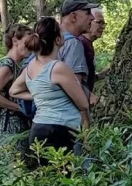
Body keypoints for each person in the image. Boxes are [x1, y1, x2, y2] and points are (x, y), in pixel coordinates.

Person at [11, 16, 91, 164]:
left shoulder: (30, 67)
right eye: (61, 32)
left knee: (48, 180)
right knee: (66, 180)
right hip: (61, 130)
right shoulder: (58, 67)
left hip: (38, 129)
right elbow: (83, 104)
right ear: (57, 40)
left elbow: (13, 91)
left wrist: (39, 94)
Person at [0, 23, 34, 154]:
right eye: (27, 41)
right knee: (15, 171)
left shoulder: (17, 65)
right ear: (15, 41)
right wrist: (19, 108)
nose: (30, 46)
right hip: (10, 127)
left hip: (19, 125)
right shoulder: (7, 65)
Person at [57, 0, 96, 103]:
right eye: (88, 13)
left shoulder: (48, 40)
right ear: (73, 17)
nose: (92, 18)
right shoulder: (73, 44)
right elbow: (75, 87)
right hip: (65, 114)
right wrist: (85, 117)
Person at [79, 5, 105, 89]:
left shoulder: (87, 44)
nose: (102, 27)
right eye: (99, 22)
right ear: (89, 21)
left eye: (103, 23)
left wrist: (100, 75)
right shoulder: (80, 44)